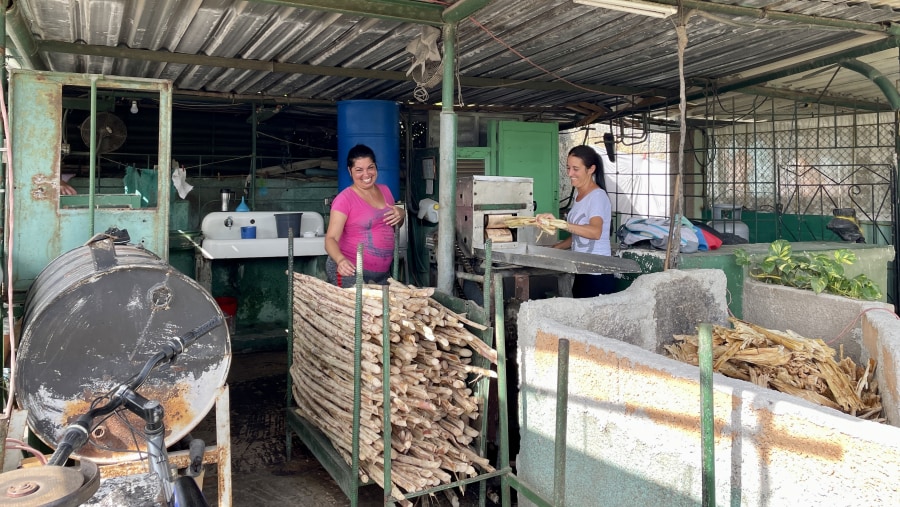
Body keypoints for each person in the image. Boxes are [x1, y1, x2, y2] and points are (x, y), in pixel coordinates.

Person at [537, 145, 614, 298]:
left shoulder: (597, 197)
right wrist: (556, 248)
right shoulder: (579, 196)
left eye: (576, 169)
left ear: (591, 169)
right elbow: (579, 234)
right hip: (582, 269)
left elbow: (594, 232)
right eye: (568, 168)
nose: (570, 173)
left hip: (597, 273)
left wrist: (561, 224)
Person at [325, 144, 405, 288]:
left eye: (370, 167)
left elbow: (393, 226)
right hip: (351, 271)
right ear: (350, 171)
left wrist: (401, 214)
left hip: (382, 274)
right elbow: (330, 239)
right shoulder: (345, 199)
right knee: (359, 309)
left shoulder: (386, 191)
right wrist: (340, 260)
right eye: (359, 170)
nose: (366, 174)